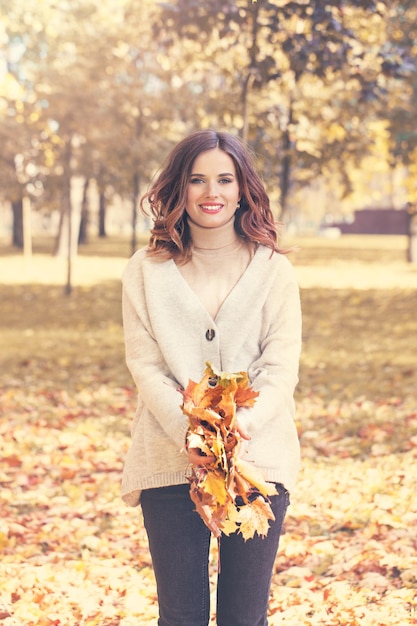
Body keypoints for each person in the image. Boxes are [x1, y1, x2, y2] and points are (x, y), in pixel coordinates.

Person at [121, 130, 302, 626]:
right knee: (181, 617)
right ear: (179, 188)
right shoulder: (145, 270)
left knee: (245, 617)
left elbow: (281, 363)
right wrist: (191, 432)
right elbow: (146, 363)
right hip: (170, 456)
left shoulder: (273, 271)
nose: (211, 192)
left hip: (257, 460)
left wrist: (242, 424)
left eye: (225, 179)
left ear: (243, 188)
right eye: (197, 180)